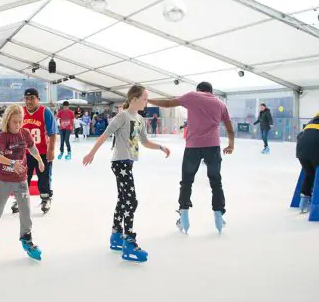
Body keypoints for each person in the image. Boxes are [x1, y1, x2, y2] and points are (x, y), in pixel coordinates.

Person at [83, 85, 171, 262]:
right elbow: (105, 134)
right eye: (144, 99)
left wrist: (161, 147)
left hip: (127, 163)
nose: (146, 102)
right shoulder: (123, 116)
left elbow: (144, 142)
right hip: (120, 163)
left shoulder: (139, 119)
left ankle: (116, 235)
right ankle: (129, 242)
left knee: (123, 200)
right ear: (134, 99)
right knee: (131, 201)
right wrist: (91, 153)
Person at [147, 82, 234, 234]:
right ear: (211, 91)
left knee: (187, 181)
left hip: (193, 147)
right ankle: (219, 214)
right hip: (213, 147)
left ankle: (184, 213)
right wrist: (231, 145)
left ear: (198, 90)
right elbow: (229, 128)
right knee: (216, 181)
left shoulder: (193, 96)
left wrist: (147, 100)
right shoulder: (221, 104)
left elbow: (167, 103)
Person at [0, 105, 45, 260]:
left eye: (20, 121)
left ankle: (26, 238)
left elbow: (32, 148)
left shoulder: (25, 133)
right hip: (4, 180)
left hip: (21, 181)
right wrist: (12, 163)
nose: (18, 125)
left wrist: (40, 160)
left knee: (26, 212)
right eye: (14, 122)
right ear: (7, 120)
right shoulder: (3, 136)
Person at [13, 88, 57, 214]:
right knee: (23, 177)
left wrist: (51, 150)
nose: (29, 101)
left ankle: (45, 198)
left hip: (41, 152)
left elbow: (53, 133)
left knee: (43, 177)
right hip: (24, 153)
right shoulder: (21, 112)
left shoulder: (45, 112)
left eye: (32, 98)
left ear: (38, 99)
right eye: (27, 98)